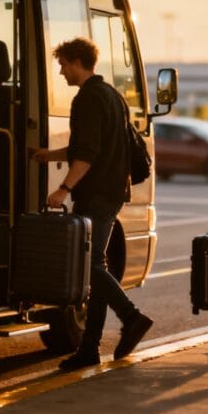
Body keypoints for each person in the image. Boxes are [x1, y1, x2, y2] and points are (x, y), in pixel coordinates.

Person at [32, 37, 153, 371]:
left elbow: (87, 153)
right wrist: (50, 156)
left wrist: (63, 189)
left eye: (63, 65)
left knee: (89, 267)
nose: (61, 71)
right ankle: (90, 348)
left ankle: (131, 317)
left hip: (96, 193)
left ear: (75, 61)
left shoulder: (86, 98)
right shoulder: (113, 96)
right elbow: (91, 145)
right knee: (95, 267)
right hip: (114, 192)